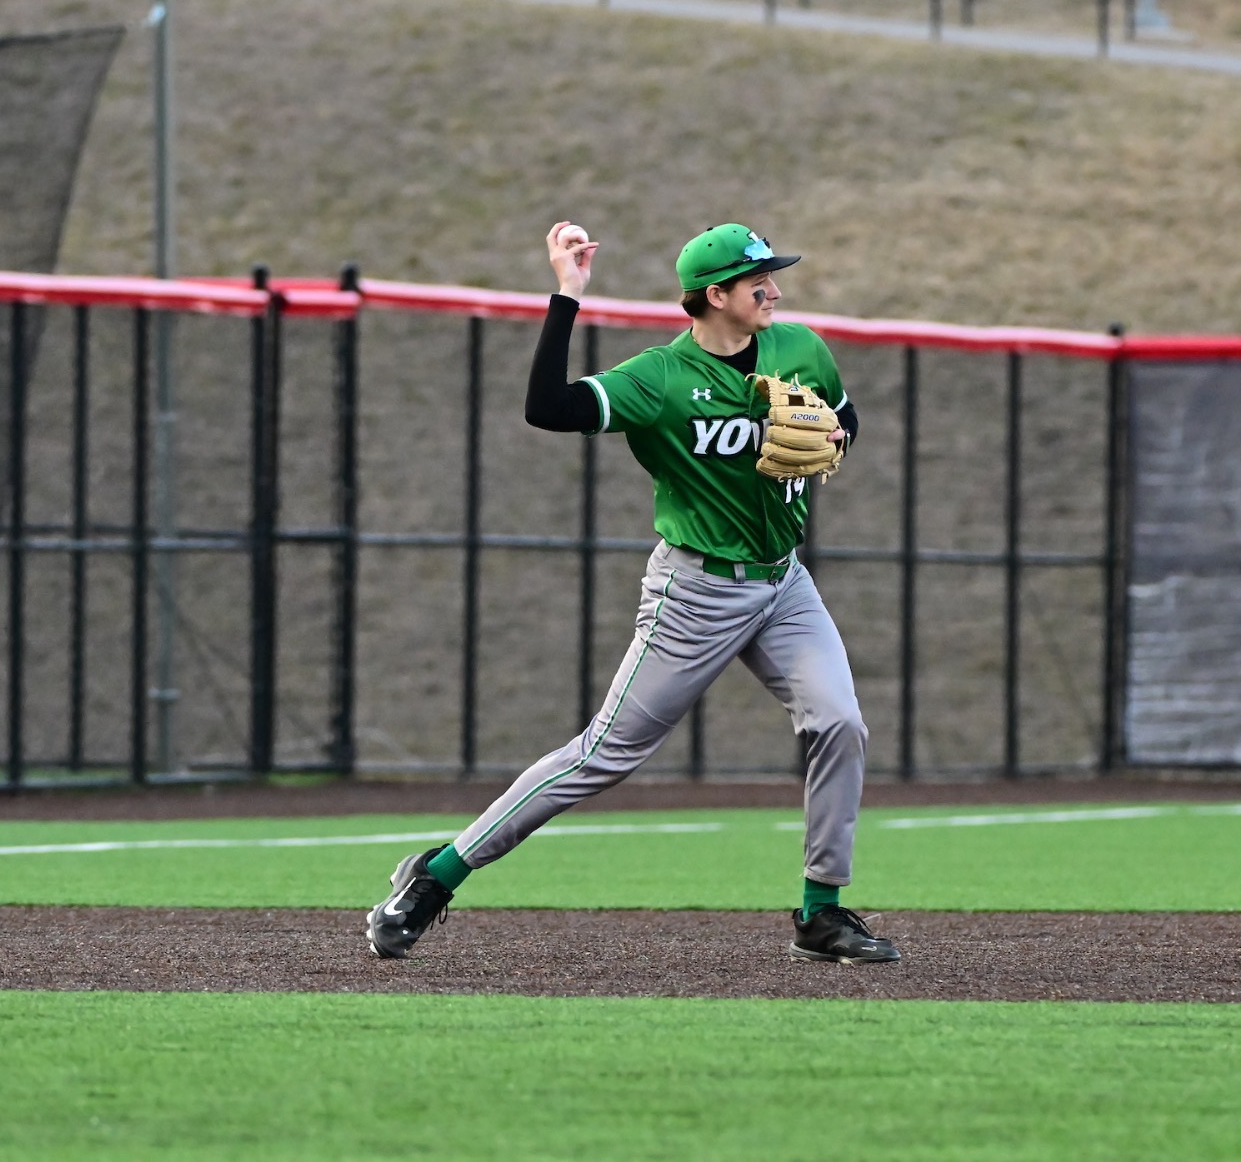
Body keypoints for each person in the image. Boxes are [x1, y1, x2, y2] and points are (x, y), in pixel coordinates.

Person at [366, 220, 901, 965]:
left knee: (840, 722)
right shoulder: (659, 379)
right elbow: (546, 408)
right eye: (757, 282)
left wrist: (835, 436)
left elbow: (844, 422)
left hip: (784, 584)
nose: (773, 289)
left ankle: (822, 913)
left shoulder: (800, 347)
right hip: (695, 594)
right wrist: (567, 295)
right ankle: (436, 876)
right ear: (715, 295)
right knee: (602, 756)